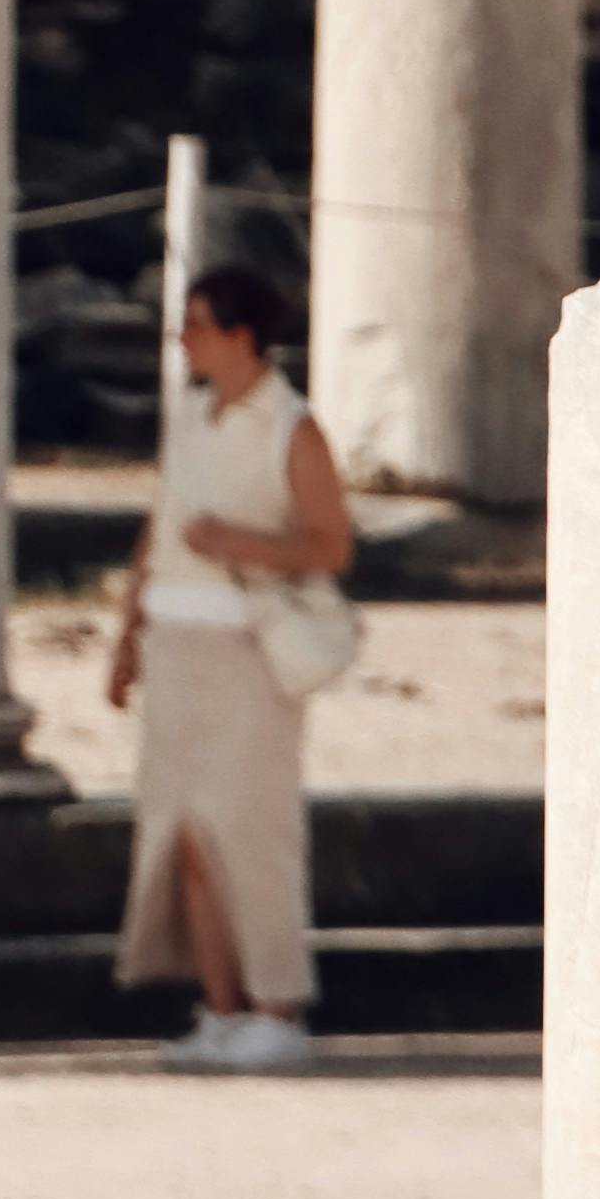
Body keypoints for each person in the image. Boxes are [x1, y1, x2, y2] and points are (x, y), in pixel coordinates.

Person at [112, 263, 353, 1067]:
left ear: (241, 336)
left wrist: (239, 545)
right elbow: (160, 522)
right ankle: (221, 1010)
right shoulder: (186, 414)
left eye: (198, 324)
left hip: (249, 651)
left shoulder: (293, 426)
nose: (184, 337)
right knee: (184, 834)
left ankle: (277, 1010)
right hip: (174, 646)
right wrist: (125, 637)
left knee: (252, 829)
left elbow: (332, 544)